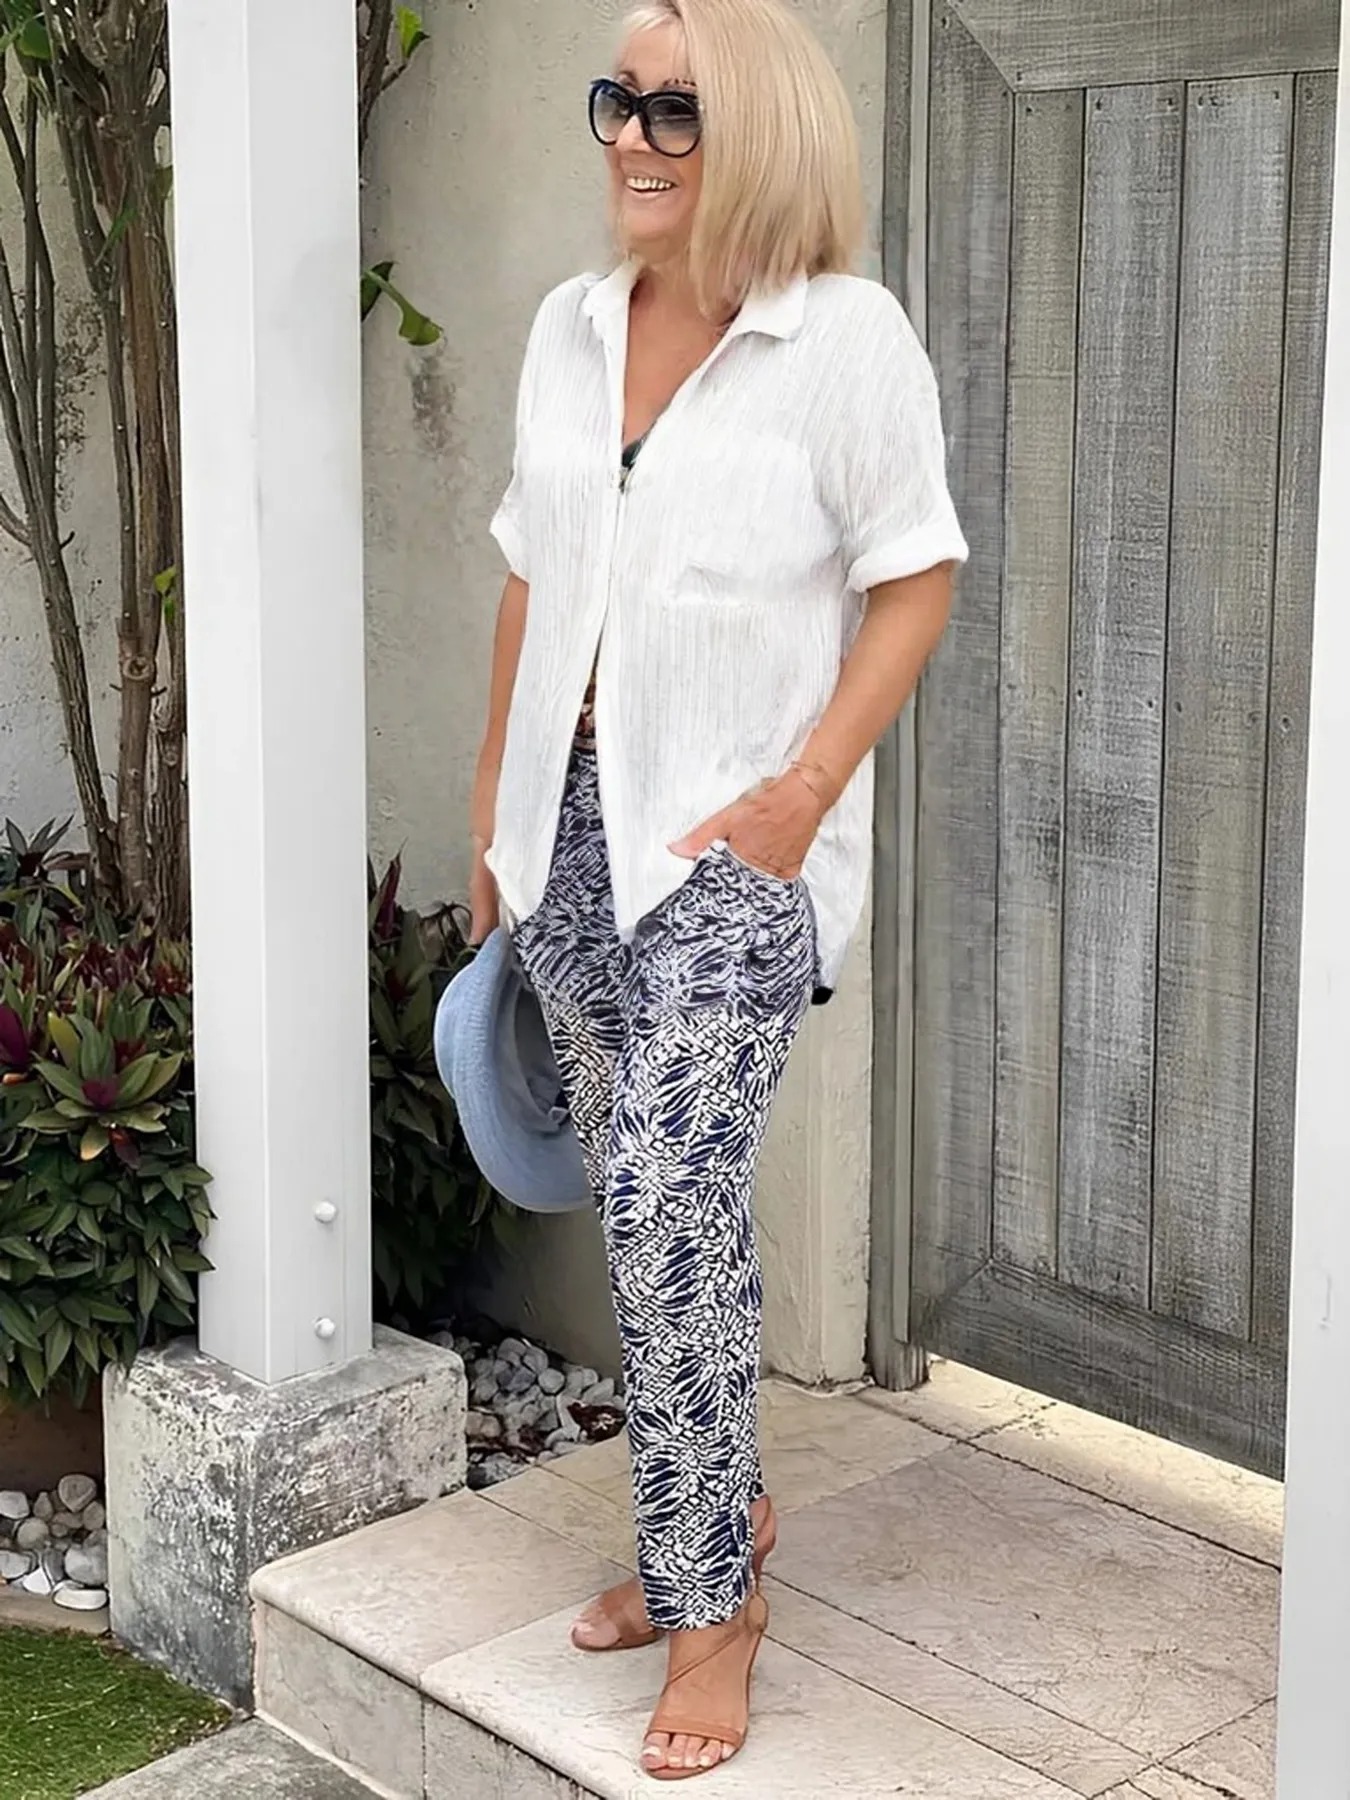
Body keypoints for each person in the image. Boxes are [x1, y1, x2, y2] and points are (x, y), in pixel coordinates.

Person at [468, 0, 967, 1778]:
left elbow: (914, 577)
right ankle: (716, 1521)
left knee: (672, 1197)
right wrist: (493, 813)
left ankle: (709, 1609)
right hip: (567, 830)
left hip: (736, 849)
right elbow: (531, 577)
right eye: (618, 100)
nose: (632, 135)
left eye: (674, 109)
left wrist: (806, 786)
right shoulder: (569, 326)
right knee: (643, 1207)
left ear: (759, 130)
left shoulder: (844, 341)